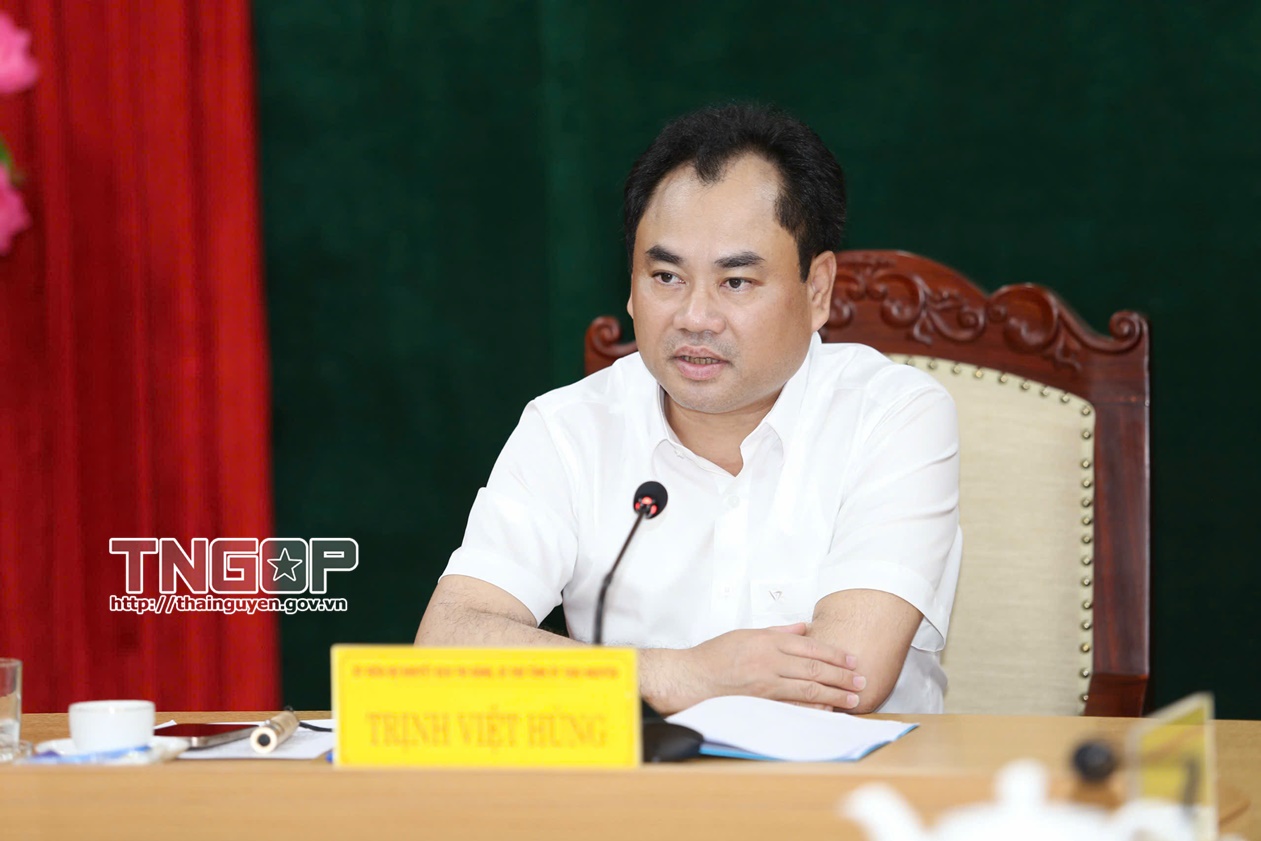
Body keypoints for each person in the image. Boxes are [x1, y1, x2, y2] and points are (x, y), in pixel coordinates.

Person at [416, 104, 961, 715]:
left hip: (854, 774)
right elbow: (446, 645)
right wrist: (681, 674)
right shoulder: (567, 428)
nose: (695, 318)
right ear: (630, 286)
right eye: (666, 277)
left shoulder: (892, 416)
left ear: (817, 290)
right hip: (635, 776)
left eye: (736, 282)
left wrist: (619, 681)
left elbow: (843, 681)